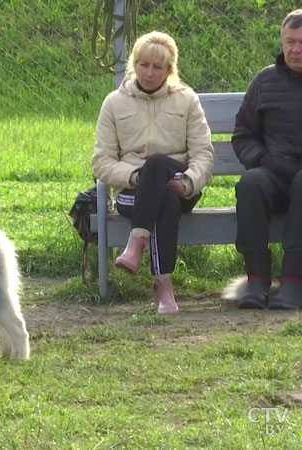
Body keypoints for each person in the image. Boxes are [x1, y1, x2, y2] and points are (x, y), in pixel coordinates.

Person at [92, 31, 214, 314]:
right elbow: (101, 161)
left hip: (180, 186)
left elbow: (203, 154)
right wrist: (136, 177)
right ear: (134, 64)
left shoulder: (186, 99)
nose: (149, 73)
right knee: (161, 196)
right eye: (143, 65)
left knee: (159, 166)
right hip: (132, 191)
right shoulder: (114, 102)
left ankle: (136, 243)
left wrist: (188, 182)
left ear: (169, 70)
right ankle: (164, 289)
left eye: (157, 67)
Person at [231, 9, 302, 310]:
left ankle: (293, 283)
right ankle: (257, 280)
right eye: (290, 41)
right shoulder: (265, 81)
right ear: (282, 41)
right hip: (273, 175)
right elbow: (243, 134)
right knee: (250, 182)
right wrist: (261, 160)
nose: (296, 49)